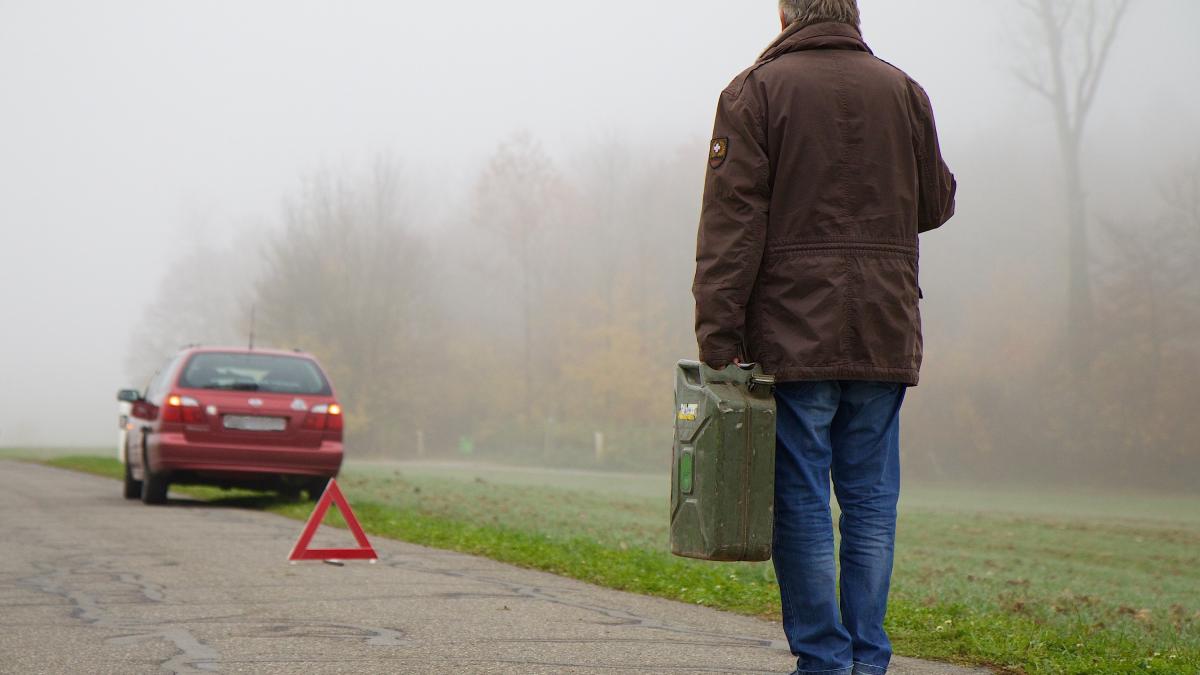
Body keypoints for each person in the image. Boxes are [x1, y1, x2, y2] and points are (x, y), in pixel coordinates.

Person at [691, 1, 957, 674]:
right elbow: (936, 203)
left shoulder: (753, 93)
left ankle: (824, 662)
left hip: (792, 333)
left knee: (803, 496)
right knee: (869, 500)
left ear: (787, 14)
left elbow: (731, 231)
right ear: (851, 12)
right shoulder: (905, 91)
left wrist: (718, 339)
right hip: (884, 328)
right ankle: (868, 661)